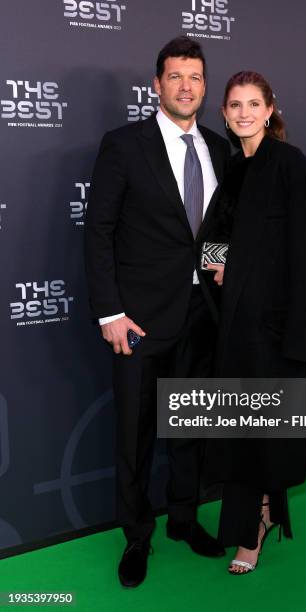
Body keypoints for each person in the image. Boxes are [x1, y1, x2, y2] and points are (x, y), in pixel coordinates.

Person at [84, 36, 230, 588]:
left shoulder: (219, 148)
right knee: (135, 432)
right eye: (175, 77)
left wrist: (217, 268)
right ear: (157, 85)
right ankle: (137, 535)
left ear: (204, 86)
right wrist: (109, 313)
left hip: (201, 314)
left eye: (195, 77)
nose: (186, 86)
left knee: (190, 424)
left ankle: (184, 518)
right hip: (139, 321)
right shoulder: (124, 145)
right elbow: (98, 231)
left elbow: (214, 230)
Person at [203, 71, 306, 574]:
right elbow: (215, 235)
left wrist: (301, 339)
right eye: (234, 104)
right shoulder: (236, 169)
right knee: (243, 431)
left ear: (269, 109)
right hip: (237, 329)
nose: (242, 113)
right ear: (223, 112)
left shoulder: (292, 166)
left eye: (252, 103)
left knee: (263, 435)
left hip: (276, 333)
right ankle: (257, 516)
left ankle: (252, 528)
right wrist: (220, 263)